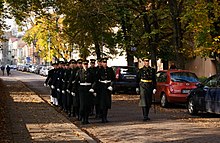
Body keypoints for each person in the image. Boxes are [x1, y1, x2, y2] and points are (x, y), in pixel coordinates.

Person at [75, 59, 96, 124]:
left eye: (86, 64)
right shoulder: (79, 72)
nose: (85, 66)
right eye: (84, 64)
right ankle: (82, 118)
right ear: (82, 65)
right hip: (82, 90)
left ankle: (86, 119)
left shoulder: (91, 72)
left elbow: (94, 81)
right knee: (82, 105)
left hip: (88, 89)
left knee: (88, 105)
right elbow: (76, 81)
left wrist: (93, 88)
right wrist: (75, 90)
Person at [97, 57, 115, 123]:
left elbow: (113, 79)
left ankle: (105, 117)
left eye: (105, 62)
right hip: (102, 88)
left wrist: (111, 85)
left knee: (107, 103)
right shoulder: (99, 70)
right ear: (101, 63)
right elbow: (97, 80)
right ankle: (102, 117)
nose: (104, 64)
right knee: (102, 103)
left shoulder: (110, 69)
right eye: (103, 62)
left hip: (108, 87)